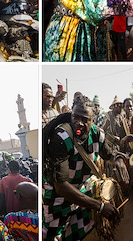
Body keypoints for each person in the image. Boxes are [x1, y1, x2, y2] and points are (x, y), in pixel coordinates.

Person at [43, 96, 119, 240]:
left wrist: (119, 160)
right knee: (53, 236)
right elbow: (61, 187)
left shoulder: (97, 134)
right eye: (75, 117)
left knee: (78, 233)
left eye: (85, 119)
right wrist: (100, 207)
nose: (79, 123)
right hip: (58, 200)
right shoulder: (61, 138)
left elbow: (110, 156)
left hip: (84, 194)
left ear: (93, 119)